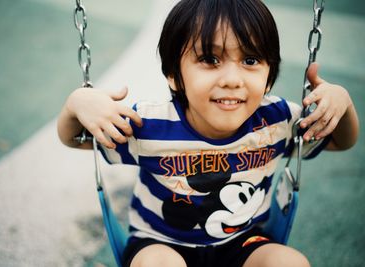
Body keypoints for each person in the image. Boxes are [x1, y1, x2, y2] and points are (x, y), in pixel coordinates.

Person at [57, 0, 359, 266]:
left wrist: (341, 105)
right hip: (161, 243)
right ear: (175, 74)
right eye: (209, 60)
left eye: (250, 60)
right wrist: (77, 105)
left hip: (243, 242)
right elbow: (76, 139)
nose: (232, 79)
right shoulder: (148, 125)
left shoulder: (277, 120)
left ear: (269, 77)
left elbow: (339, 141)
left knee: (289, 262)